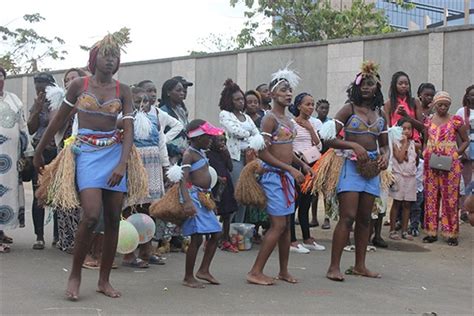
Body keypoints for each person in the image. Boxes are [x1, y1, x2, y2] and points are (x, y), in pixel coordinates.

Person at [33, 34, 136, 300]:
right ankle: (75, 274)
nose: (110, 59)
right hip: (87, 153)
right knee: (90, 215)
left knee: (113, 218)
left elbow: (128, 128)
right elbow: (58, 120)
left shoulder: (123, 90)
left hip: (114, 153)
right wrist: (39, 150)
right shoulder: (79, 84)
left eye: (115, 56)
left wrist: (123, 164)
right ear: (94, 59)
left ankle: (104, 279)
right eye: (105, 55)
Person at [321, 61, 389, 281]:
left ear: (377, 87)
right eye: (363, 84)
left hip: (372, 169)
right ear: (357, 87)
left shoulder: (381, 113)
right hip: (350, 166)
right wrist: (353, 145)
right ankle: (334, 267)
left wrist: (385, 156)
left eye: (371, 84)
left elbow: (385, 144)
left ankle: (360, 265)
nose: (367, 88)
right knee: (347, 216)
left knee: (365, 218)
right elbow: (328, 139)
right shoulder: (348, 109)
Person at [246, 67, 312, 285]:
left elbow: (286, 149)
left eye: (290, 90)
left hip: (286, 177)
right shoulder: (269, 119)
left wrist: (301, 164)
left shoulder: (288, 121)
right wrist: (288, 169)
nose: (288, 94)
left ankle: (283, 270)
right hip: (274, 177)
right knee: (278, 225)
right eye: (283, 90)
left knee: (286, 226)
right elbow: (263, 152)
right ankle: (255, 271)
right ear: (272, 94)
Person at [121, 86, 170, 267]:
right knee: (132, 207)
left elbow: (161, 142)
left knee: (150, 208)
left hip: (154, 165)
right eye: (137, 101)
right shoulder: (125, 119)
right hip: (135, 164)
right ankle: (128, 252)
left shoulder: (154, 118)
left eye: (146, 101)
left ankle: (146, 250)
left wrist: (166, 167)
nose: (142, 104)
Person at [179, 119, 224, 288]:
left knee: (216, 234)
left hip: (204, 199)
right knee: (196, 238)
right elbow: (182, 180)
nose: (211, 140)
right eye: (208, 137)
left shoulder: (202, 152)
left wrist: (211, 199)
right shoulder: (189, 154)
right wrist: (188, 202)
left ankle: (204, 270)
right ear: (197, 138)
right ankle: (188, 276)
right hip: (194, 198)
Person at [423, 91, 469, 246]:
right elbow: (425, 139)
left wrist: (456, 154)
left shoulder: (456, 121)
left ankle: (451, 233)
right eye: (440, 105)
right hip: (432, 164)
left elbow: (465, 141)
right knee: (431, 197)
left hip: (450, 164)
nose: (443, 107)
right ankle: (431, 231)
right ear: (435, 105)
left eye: (446, 105)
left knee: (450, 198)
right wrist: (425, 152)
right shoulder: (429, 121)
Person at [55, 68, 87, 254]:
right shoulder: (61, 102)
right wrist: (71, 108)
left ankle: (84, 241)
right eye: (67, 79)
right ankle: (67, 240)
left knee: (85, 199)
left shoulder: (92, 99)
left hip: (88, 154)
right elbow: (56, 124)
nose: (71, 81)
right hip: (67, 154)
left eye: (74, 78)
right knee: (68, 198)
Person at [219, 79, 259, 223]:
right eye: (237, 99)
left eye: (242, 99)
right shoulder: (225, 114)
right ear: (230, 100)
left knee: (245, 195)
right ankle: (226, 229)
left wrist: (252, 136)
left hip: (249, 157)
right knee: (237, 193)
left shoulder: (247, 117)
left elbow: (258, 134)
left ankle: (239, 228)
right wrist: (250, 136)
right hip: (235, 158)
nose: (241, 102)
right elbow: (235, 131)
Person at [289, 92, 325, 253]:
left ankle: (307, 237)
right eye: (307, 104)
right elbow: (288, 146)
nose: (310, 107)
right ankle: (291, 240)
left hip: (312, 165)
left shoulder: (315, 123)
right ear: (298, 106)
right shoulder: (291, 123)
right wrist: (299, 163)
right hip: (297, 165)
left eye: (312, 104)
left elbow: (319, 146)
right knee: (294, 203)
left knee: (306, 203)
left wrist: (310, 127)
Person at [27, 72, 59, 250]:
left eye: (43, 85)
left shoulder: (59, 101)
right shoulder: (36, 104)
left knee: (56, 195)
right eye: (37, 84)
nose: (40, 88)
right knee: (38, 194)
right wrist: (37, 109)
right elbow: (31, 129)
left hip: (56, 151)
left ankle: (57, 235)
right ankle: (39, 236)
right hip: (40, 152)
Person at [0, 66, 29, 253]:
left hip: (10, 161)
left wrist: (28, 153)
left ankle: (1, 232)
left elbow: (23, 125)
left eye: (1, 76)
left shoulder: (14, 99)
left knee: (7, 194)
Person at [207, 134, 239, 252]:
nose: (222, 143)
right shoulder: (208, 155)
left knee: (227, 213)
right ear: (213, 142)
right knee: (212, 212)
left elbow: (230, 168)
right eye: (219, 140)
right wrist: (217, 178)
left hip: (226, 186)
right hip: (214, 186)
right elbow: (207, 170)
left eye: (224, 141)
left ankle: (225, 239)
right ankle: (209, 239)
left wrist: (227, 155)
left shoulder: (224, 154)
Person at [388, 119, 418, 241]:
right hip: (399, 176)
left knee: (407, 204)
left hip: (410, 177)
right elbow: (400, 158)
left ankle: (405, 231)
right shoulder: (395, 143)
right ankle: (392, 229)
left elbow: (414, 160)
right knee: (397, 203)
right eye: (403, 128)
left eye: (409, 128)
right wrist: (404, 143)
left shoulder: (413, 144)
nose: (406, 131)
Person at [137, 80, 184, 144]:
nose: (153, 94)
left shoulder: (159, 112)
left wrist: (164, 139)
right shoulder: (133, 112)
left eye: (155, 91)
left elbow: (178, 125)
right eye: (149, 91)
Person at [456, 85, 474, 223]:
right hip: (467, 148)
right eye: (472, 94)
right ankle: (464, 210)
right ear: (467, 96)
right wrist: (461, 150)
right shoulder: (461, 112)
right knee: (465, 180)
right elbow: (456, 132)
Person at [159, 78, 188, 164]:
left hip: (183, 152)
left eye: (183, 91)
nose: (182, 93)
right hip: (171, 155)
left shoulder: (181, 110)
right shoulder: (163, 112)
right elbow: (161, 137)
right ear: (168, 93)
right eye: (178, 90)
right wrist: (177, 150)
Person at [313, 99, 332, 230]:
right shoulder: (312, 123)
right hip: (314, 158)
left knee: (326, 191)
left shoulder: (330, 123)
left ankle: (327, 217)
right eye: (321, 108)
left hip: (327, 159)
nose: (324, 111)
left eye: (326, 108)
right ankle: (313, 217)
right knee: (313, 191)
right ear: (317, 109)